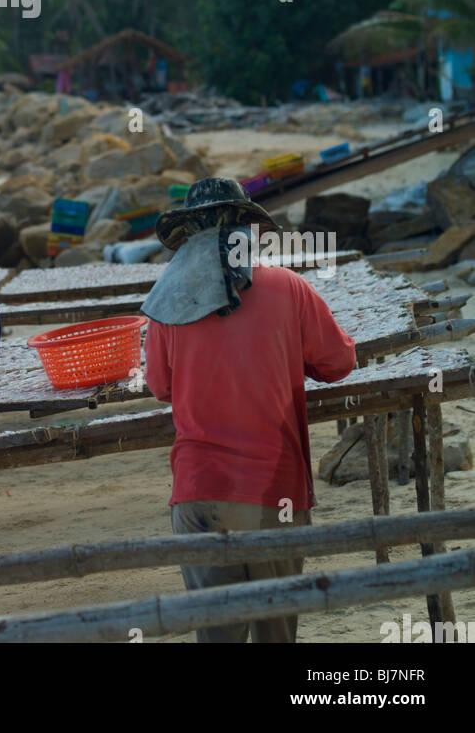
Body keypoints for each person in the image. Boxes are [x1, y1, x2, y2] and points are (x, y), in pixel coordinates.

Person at [142, 177, 357, 644]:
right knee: (275, 632)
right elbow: (340, 362)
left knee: (217, 635)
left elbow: (160, 386)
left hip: (197, 493)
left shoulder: (168, 303)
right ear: (247, 230)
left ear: (188, 239)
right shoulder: (288, 288)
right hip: (270, 492)